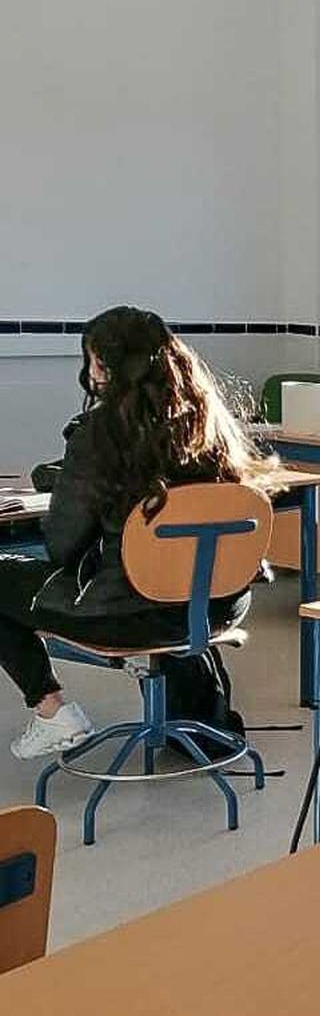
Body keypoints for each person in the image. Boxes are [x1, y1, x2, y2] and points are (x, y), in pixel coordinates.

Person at [0, 307, 276, 758]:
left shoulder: (97, 434)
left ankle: (51, 710)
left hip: (134, 611)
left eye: (93, 361)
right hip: (213, 603)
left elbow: (62, 545)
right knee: (163, 576)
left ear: (106, 367)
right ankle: (199, 723)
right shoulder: (208, 425)